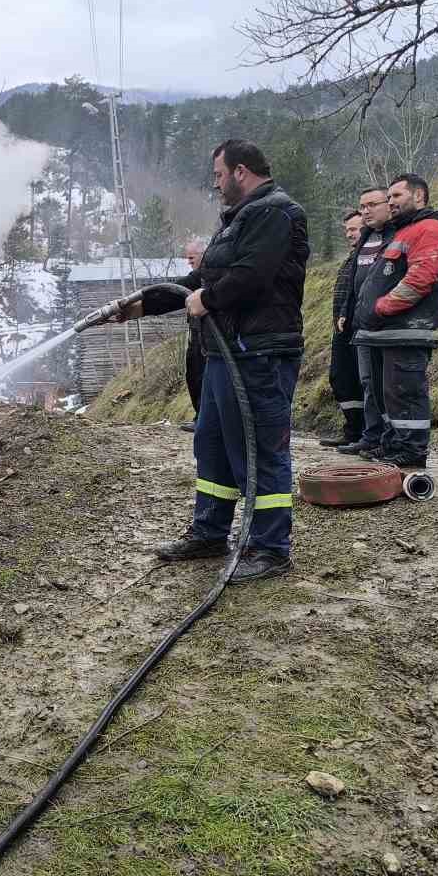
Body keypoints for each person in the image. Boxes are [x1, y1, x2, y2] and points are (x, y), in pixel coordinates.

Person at [113, 139, 309, 582]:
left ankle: (270, 548)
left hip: (259, 352)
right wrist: (143, 304)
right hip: (225, 354)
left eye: (219, 175)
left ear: (241, 171)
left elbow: (252, 276)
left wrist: (211, 298)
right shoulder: (238, 220)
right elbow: (197, 281)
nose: (216, 184)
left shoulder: (273, 212)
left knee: (259, 450)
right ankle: (210, 532)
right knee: (214, 445)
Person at [349, 173, 438, 469]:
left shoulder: (429, 228)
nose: (390, 202)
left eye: (396, 196)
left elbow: (421, 278)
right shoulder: (406, 230)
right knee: (391, 393)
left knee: (406, 392)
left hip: (407, 330)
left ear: (419, 196)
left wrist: (381, 307)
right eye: (389, 197)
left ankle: (412, 450)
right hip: (390, 332)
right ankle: (395, 443)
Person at [336, 187, 395, 455]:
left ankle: (389, 439)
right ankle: (371, 436)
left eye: (372, 204)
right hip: (361, 324)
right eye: (363, 206)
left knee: (387, 385)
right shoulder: (365, 239)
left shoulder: (396, 235)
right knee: (368, 382)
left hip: (387, 323)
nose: (367, 210)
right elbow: (354, 281)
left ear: (388, 205)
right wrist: (346, 311)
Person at [319, 198, 382, 446]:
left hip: (361, 328)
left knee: (362, 380)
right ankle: (353, 430)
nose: (349, 235)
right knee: (341, 378)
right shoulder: (351, 258)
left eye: (354, 229)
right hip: (342, 329)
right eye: (346, 230)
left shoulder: (369, 257)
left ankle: (366, 433)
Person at [180, 237, 207, 433]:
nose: (189, 261)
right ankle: (200, 416)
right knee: (193, 375)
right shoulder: (195, 276)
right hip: (195, 334)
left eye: (191, 257)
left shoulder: (209, 275)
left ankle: (205, 419)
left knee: (204, 377)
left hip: (208, 338)